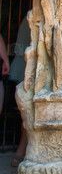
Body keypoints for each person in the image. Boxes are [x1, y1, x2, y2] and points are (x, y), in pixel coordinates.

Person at [9, 15, 29, 165]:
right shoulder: (30, 17)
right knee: (26, 112)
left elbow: (19, 48)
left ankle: (21, 151)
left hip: (21, 65)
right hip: (26, 67)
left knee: (24, 112)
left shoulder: (25, 18)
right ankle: (21, 151)